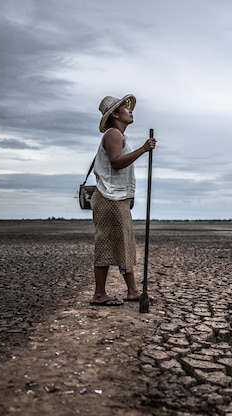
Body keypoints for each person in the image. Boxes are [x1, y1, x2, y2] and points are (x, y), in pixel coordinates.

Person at [89, 94, 156, 306]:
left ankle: (133, 291)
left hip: (116, 197)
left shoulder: (119, 136)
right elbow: (117, 162)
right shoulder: (113, 134)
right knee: (107, 242)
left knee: (123, 242)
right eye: (126, 108)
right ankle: (100, 294)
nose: (131, 111)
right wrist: (143, 150)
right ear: (116, 114)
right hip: (109, 197)